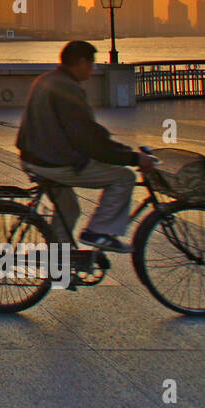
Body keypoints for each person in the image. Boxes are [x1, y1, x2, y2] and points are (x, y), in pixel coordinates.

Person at [15, 40, 156, 253]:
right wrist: (133, 159)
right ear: (81, 63)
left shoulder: (48, 79)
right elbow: (88, 140)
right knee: (124, 177)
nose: (93, 70)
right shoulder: (68, 88)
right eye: (92, 64)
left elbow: (84, 132)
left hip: (34, 156)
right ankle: (97, 231)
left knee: (69, 209)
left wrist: (112, 147)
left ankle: (58, 262)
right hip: (52, 163)